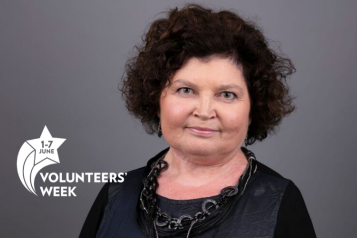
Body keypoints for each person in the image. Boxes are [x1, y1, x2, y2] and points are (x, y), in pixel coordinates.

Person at [79, 4, 316, 238]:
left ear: (254, 109)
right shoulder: (115, 194)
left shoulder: (279, 200)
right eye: (185, 90)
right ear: (155, 99)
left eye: (227, 95)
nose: (204, 111)